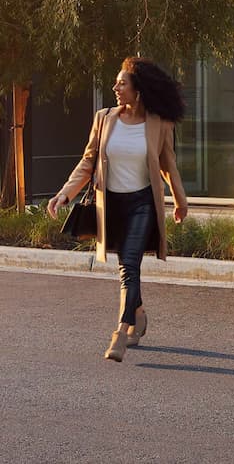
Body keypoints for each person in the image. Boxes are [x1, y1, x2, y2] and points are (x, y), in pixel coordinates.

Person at [47, 57, 189, 362]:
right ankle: (138, 312)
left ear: (138, 90)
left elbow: (168, 165)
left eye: (122, 83)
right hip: (111, 205)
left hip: (142, 205)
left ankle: (121, 332)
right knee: (126, 266)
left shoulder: (158, 124)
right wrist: (64, 194)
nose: (115, 87)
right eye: (117, 82)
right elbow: (88, 162)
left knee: (129, 267)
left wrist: (180, 202)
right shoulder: (104, 118)